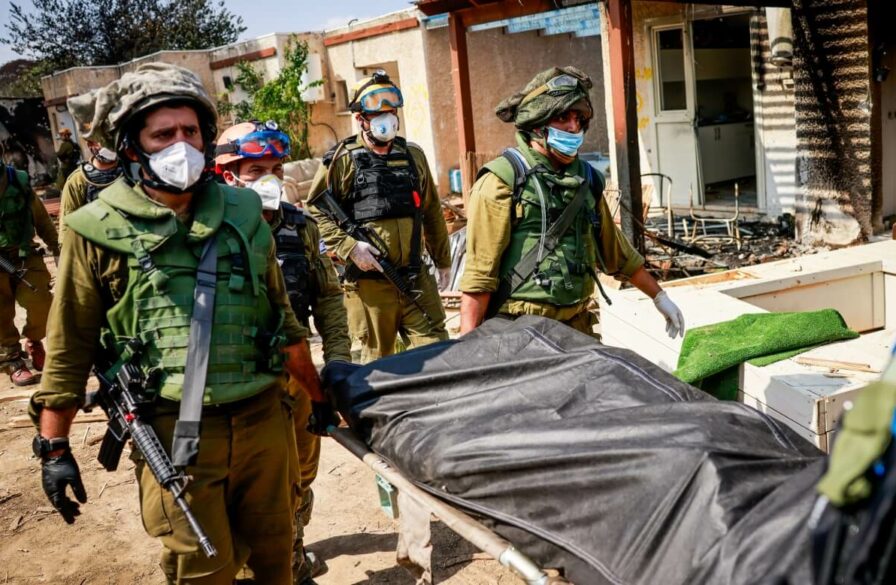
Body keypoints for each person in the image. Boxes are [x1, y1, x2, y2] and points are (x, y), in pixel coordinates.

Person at [31, 63, 337, 584]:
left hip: (265, 420)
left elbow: (284, 324)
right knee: (203, 569)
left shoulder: (244, 213)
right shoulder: (95, 230)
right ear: (133, 146)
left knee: (276, 558)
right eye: (164, 134)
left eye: (191, 131)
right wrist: (54, 447)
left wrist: (319, 399)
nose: (182, 144)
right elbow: (68, 349)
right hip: (174, 435)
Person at [215, 120, 351, 585]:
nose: (271, 178)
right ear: (228, 173)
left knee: (301, 477)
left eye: (276, 167)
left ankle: (290, 557)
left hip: (297, 376)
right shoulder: (205, 229)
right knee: (243, 490)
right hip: (237, 385)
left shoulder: (300, 226)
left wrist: (337, 362)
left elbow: (329, 297)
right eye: (257, 169)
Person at [459, 66, 684, 338]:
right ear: (537, 124)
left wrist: (660, 297)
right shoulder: (503, 180)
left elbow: (617, 254)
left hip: (577, 324)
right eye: (563, 117)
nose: (573, 127)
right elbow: (480, 275)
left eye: (579, 119)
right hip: (520, 329)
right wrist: (467, 342)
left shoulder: (587, 179)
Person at [307, 70, 452, 363]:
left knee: (439, 357)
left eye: (391, 112)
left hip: (415, 278)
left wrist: (444, 261)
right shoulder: (342, 160)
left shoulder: (413, 156)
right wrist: (350, 247)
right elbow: (316, 210)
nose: (388, 119)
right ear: (361, 119)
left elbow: (432, 212)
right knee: (377, 370)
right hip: (369, 287)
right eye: (378, 114)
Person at [0, 164, 57, 386]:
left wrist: (57, 247)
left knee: (42, 302)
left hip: (24, 254)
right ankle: (12, 360)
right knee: (1, 314)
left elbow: (41, 219)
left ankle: (33, 340)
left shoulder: (17, 180)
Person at [58, 135, 123, 243]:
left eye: (110, 141)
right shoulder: (78, 180)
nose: (107, 147)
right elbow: (67, 223)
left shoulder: (134, 172)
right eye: (101, 142)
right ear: (90, 145)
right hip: (98, 248)